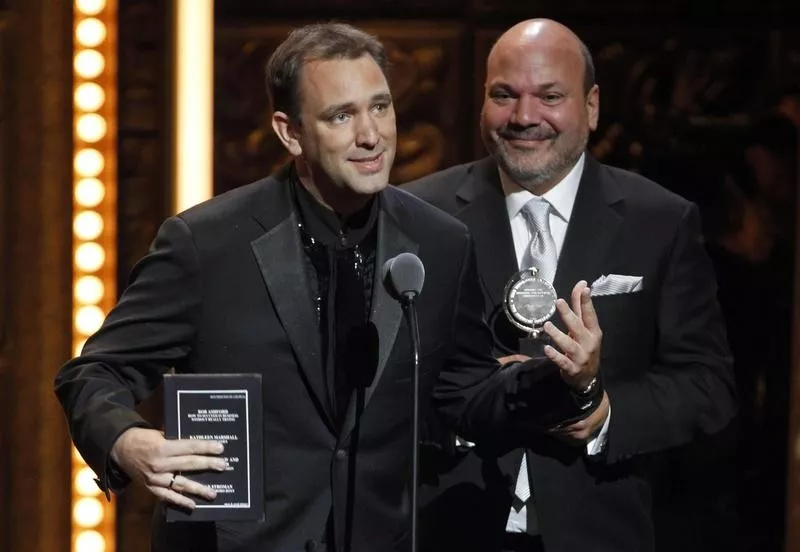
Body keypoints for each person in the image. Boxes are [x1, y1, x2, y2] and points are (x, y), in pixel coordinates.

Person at [54, 22, 603, 552]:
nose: (371, 136)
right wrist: (127, 442)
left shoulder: (439, 243)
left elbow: (465, 395)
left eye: (380, 107)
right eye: (341, 116)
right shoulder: (205, 244)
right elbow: (94, 373)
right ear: (289, 132)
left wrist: (563, 379)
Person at [404, 18, 736, 552]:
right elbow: (378, 383)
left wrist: (602, 412)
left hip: (598, 531)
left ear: (592, 105)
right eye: (504, 95)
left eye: (550, 96)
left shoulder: (661, 221)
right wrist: (470, 405)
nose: (524, 117)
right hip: (452, 526)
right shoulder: (419, 214)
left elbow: (707, 386)